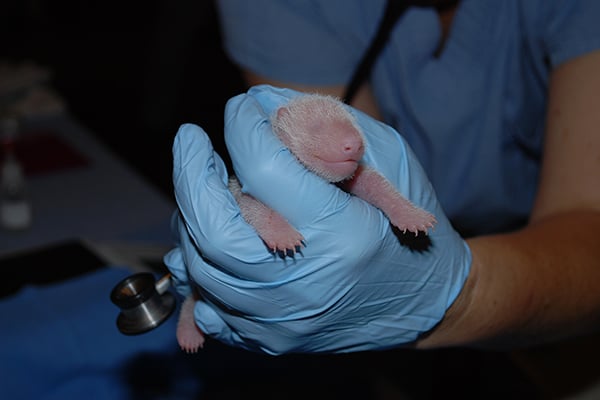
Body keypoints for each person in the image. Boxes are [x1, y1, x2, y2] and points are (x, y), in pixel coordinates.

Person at [164, 0, 600, 393]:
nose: (353, 144)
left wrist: (463, 295)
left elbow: (370, 182)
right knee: (203, 283)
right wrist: (270, 222)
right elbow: (254, 205)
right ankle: (188, 315)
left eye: (350, 132)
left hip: (528, 242)